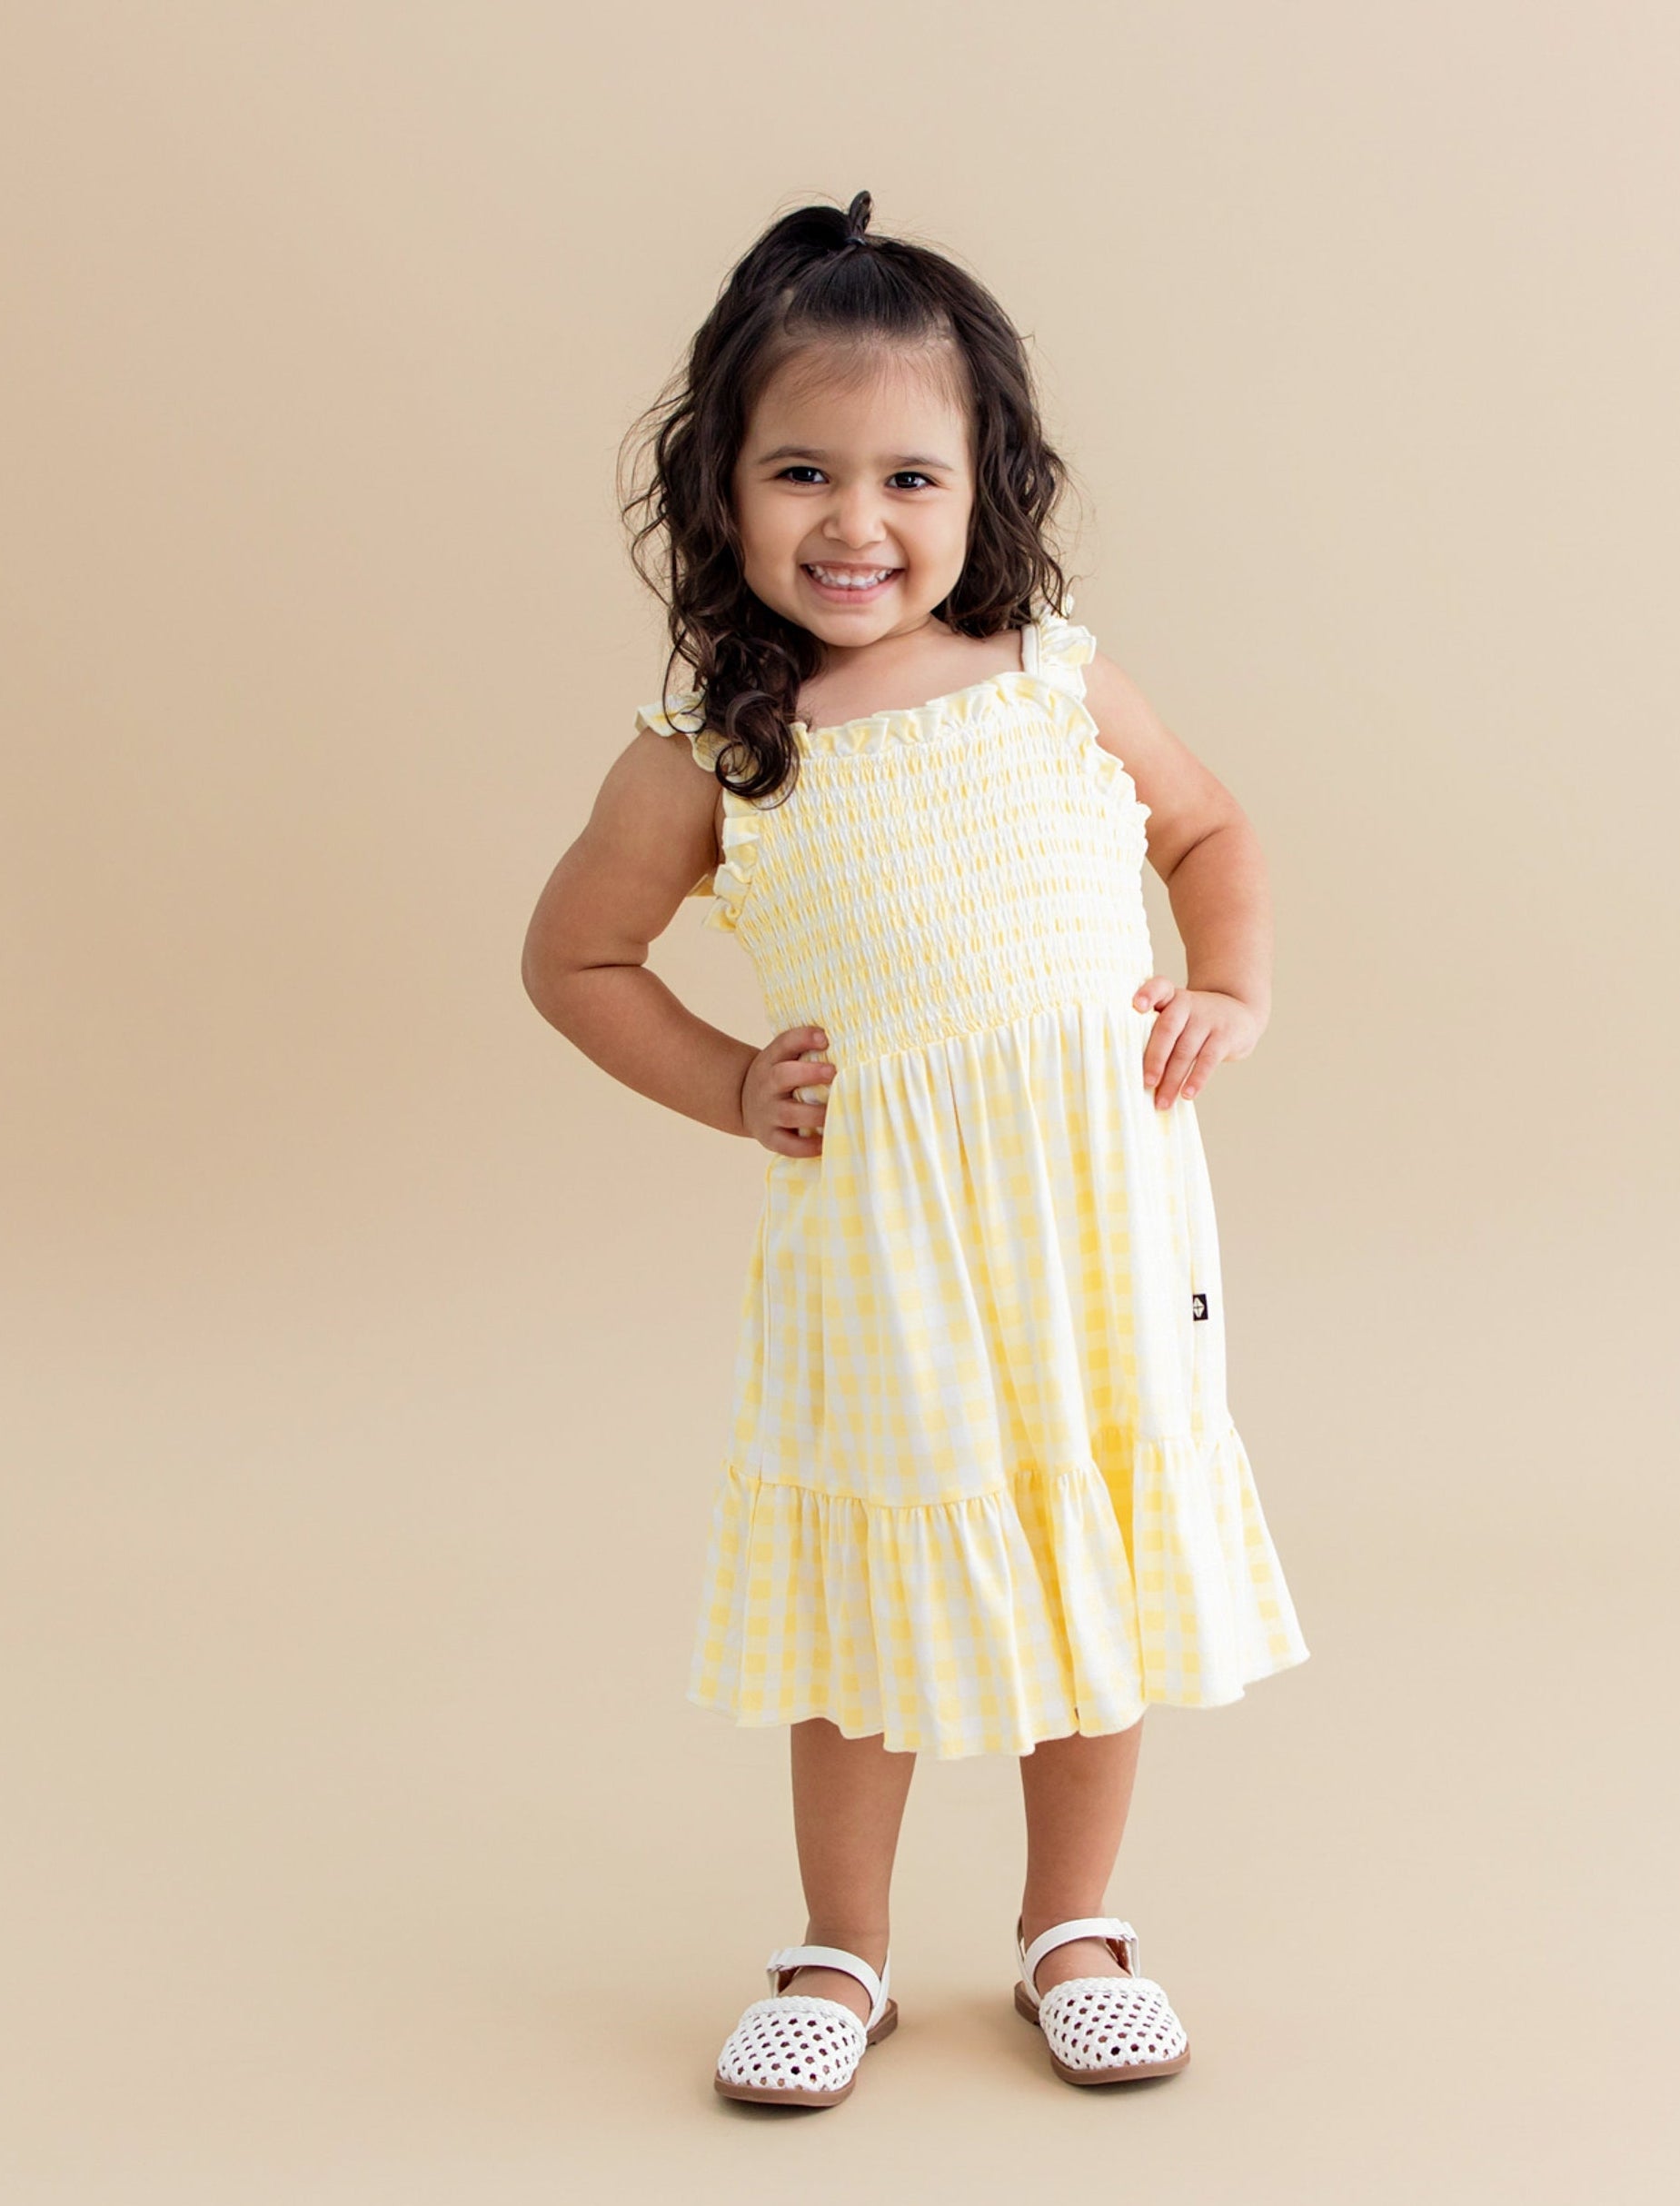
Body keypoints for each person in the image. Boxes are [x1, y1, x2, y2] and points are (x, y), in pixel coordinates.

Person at [522, 190, 1309, 2109]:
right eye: (799, 470)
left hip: (1098, 1213)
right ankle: (840, 1942)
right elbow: (573, 955)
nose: (853, 523)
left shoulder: (1052, 674)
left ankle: (1073, 1923)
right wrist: (726, 1084)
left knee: (1090, 1545)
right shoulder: (711, 743)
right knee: (869, 1573)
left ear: (985, 489)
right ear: (719, 486)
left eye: (904, 475)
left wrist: (1228, 989)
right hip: (886, 1234)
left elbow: (1206, 831)